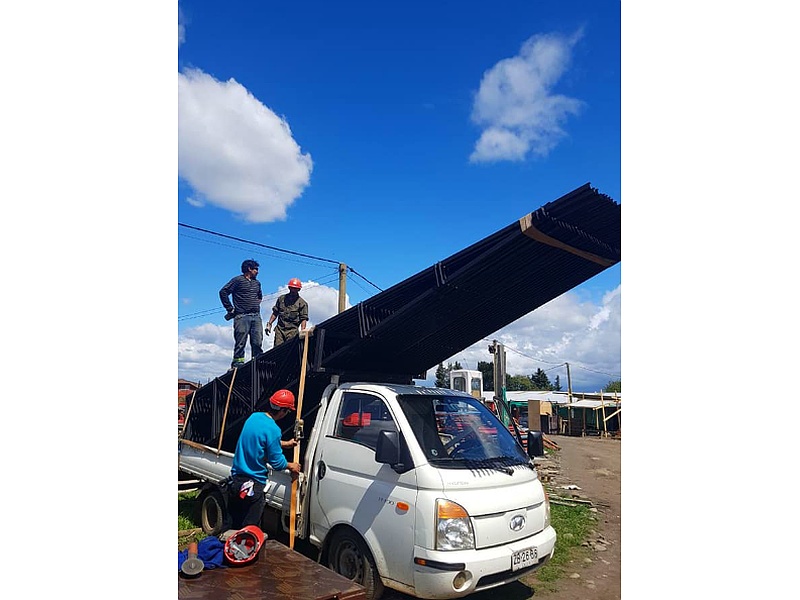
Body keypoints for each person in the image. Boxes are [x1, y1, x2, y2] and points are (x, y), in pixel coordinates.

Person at [227, 389, 301, 530]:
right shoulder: (273, 429)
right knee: (250, 530)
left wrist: (285, 444)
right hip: (253, 485)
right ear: (283, 411)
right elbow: (277, 463)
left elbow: (259, 441)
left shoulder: (254, 417)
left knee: (234, 525)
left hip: (236, 480)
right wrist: (292, 465)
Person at [219, 259, 264, 369]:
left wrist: (254, 304)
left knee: (257, 342)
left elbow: (259, 296)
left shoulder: (257, 283)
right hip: (241, 316)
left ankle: (258, 363)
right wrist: (230, 309)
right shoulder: (238, 280)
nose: (257, 271)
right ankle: (237, 365)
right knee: (240, 343)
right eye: (255, 269)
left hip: (256, 316)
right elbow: (223, 292)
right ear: (249, 269)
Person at [265, 278, 308, 347]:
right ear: (289, 288)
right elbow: (275, 313)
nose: (293, 290)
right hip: (280, 330)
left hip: (292, 331)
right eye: (292, 288)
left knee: (289, 350)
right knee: (278, 350)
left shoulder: (302, 303)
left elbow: (304, 319)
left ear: (299, 289)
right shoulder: (281, 299)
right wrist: (269, 324)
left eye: (295, 288)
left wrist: (302, 331)